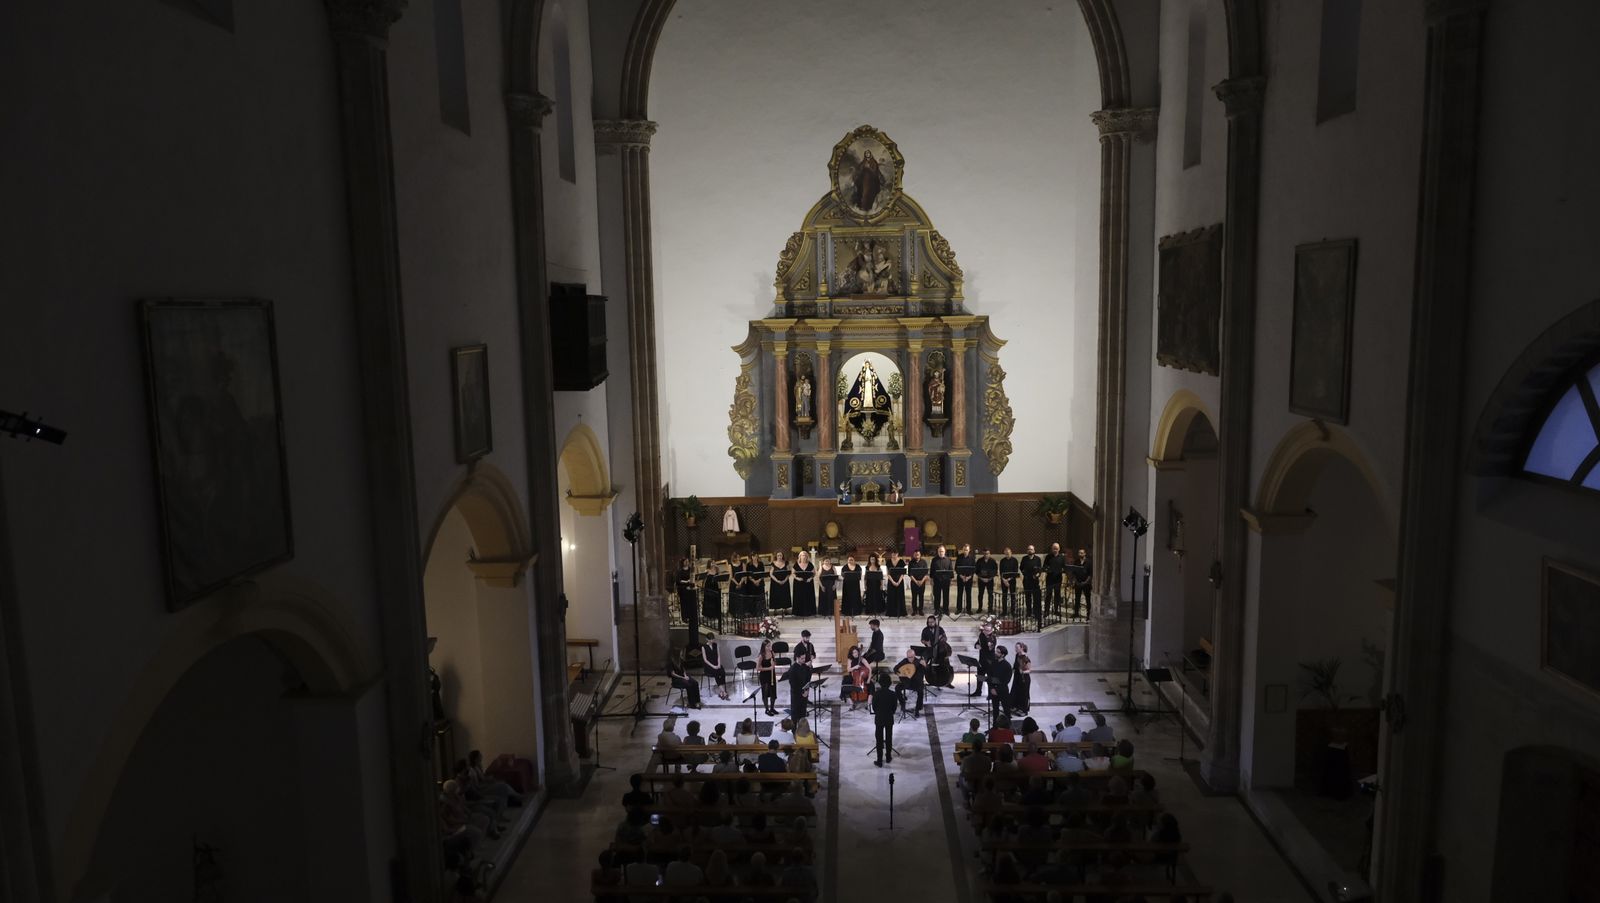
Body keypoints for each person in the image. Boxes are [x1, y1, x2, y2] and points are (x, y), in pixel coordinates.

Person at [871, 673, 898, 766]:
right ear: (890, 683)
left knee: (879, 739)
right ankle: (888, 757)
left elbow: (874, 707)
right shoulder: (893, 694)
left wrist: (878, 712)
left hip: (879, 718)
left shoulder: (876, 694)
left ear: (880, 683)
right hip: (889, 718)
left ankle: (879, 760)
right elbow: (894, 708)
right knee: (889, 737)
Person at [893, 646, 926, 715]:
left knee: (920, 691)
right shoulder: (905, 661)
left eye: (911, 657)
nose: (910, 659)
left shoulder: (919, 662)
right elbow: (895, 668)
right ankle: (902, 704)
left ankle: (917, 709)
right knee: (897, 688)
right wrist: (899, 673)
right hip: (906, 682)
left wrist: (925, 665)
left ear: (914, 655)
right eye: (908, 657)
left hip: (917, 683)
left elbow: (926, 671)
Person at [784, 650, 813, 721]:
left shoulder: (805, 666)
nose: (804, 660)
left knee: (803, 715)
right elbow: (793, 685)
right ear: (797, 658)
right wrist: (802, 692)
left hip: (804, 694)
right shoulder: (793, 669)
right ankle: (794, 728)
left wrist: (807, 690)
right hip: (796, 695)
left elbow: (808, 679)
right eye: (802, 658)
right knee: (795, 715)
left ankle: (802, 727)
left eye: (804, 658)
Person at [988, 645, 1013, 723]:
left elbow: (1006, 681)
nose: (996, 653)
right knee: (995, 710)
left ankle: (1008, 726)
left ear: (1003, 655)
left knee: (1006, 710)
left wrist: (996, 690)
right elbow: (989, 677)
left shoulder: (1007, 666)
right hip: (993, 690)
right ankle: (995, 726)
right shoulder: (993, 663)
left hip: (1003, 691)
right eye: (996, 651)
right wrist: (992, 688)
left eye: (998, 652)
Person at [972, 621, 997, 697]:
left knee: (990, 678)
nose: (986, 632)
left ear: (991, 630)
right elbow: (976, 643)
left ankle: (991, 694)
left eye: (988, 630)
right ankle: (978, 691)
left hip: (990, 661)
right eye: (985, 630)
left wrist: (989, 644)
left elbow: (990, 649)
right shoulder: (981, 635)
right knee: (980, 676)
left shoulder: (993, 638)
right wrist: (976, 646)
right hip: (982, 659)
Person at [675, 556, 698, 637]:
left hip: (690, 589)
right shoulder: (680, 571)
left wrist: (691, 581)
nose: (687, 562)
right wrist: (686, 581)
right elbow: (678, 581)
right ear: (683, 562)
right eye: (685, 561)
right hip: (683, 589)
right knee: (684, 604)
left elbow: (694, 577)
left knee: (690, 604)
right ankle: (684, 617)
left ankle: (691, 616)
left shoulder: (690, 570)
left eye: (688, 561)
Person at [1044, 542, 1067, 617]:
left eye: (1056, 549)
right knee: (1048, 595)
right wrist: (1047, 569)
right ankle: (1046, 611)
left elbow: (1064, 567)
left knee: (1057, 595)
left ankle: (1056, 610)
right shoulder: (1048, 557)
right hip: (1049, 579)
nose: (1055, 550)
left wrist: (1063, 570)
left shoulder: (1062, 557)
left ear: (1059, 549)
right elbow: (1044, 566)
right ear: (1052, 549)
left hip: (1058, 579)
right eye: (1054, 548)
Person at [1020, 544, 1043, 622]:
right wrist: (1025, 574)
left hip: (1035, 581)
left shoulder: (1038, 559)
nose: (1030, 550)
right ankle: (1029, 613)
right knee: (1028, 598)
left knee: (1036, 598)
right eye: (1028, 549)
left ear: (1034, 551)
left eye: (1031, 549)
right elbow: (1021, 568)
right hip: (1027, 581)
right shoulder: (1024, 558)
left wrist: (1037, 575)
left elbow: (1040, 570)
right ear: (1027, 551)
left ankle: (1035, 613)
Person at [931, 544, 954, 615]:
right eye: (939, 551)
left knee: (946, 596)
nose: (941, 553)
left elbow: (951, 570)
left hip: (946, 581)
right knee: (937, 596)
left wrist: (951, 580)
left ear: (945, 551)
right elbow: (932, 571)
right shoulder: (934, 560)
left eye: (942, 551)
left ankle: (945, 609)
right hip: (937, 581)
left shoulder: (948, 560)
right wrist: (931, 580)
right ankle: (937, 609)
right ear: (937, 552)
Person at [792, 549, 817, 617]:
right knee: (799, 596)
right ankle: (798, 612)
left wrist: (810, 578)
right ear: (800, 556)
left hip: (808, 583)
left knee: (808, 597)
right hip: (798, 583)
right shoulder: (796, 564)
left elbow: (814, 573)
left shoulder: (810, 564)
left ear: (807, 557)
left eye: (805, 555)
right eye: (802, 555)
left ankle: (809, 612)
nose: (804, 556)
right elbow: (793, 573)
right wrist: (797, 578)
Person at [1011, 641, 1032, 714]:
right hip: (1017, 677)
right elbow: (1015, 665)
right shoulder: (1017, 655)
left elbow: (1029, 670)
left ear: (1022, 648)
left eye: (1017, 648)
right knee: (1016, 692)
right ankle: (1017, 707)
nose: (1015, 649)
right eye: (1015, 648)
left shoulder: (1026, 658)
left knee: (1024, 694)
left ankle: (1024, 710)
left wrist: (1022, 672)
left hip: (1024, 679)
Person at [700, 560, 723, 628]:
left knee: (715, 600)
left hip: (715, 587)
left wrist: (718, 569)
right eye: (712, 562)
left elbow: (720, 578)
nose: (713, 563)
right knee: (709, 601)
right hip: (709, 587)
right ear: (709, 564)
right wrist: (702, 588)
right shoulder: (707, 570)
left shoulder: (717, 570)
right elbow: (704, 580)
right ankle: (709, 615)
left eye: (714, 562)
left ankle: (716, 615)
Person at [955, 543, 976, 614]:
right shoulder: (959, 557)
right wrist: (961, 576)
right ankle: (959, 609)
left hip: (969, 579)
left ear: (969, 550)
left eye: (966, 550)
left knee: (968, 594)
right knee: (959, 593)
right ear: (962, 550)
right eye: (964, 550)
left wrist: (968, 577)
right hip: (960, 578)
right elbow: (956, 568)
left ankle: (968, 609)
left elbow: (974, 569)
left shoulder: (972, 558)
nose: (965, 551)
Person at [998, 547, 1020, 616]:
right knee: (1004, 596)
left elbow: (1015, 572)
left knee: (1013, 596)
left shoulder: (1015, 560)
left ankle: (1013, 611)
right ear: (1004, 553)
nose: (1007, 554)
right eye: (1006, 553)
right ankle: (1004, 611)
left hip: (1012, 580)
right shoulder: (1002, 561)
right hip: (1004, 581)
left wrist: (1009, 579)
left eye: (1008, 553)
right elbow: (1001, 572)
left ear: (1011, 553)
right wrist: (1004, 580)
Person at [907, 548, 929, 615]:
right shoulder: (911, 562)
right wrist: (916, 582)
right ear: (913, 555)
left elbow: (926, 573)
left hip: (922, 582)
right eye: (915, 554)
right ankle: (914, 610)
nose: (916, 556)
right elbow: (910, 574)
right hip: (914, 582)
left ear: (920, 555)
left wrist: (922, 581)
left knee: (921, 597)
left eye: (918, 554)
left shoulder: (924, 562)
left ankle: (920, 610)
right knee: (914, 597)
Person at [886, 549, 907, 617]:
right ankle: (891, 612)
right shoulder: (888, 561)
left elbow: (902, 573)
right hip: (891, 581)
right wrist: (892, 581)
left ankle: (900, 612)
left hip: (899, 581)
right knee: (891, 596)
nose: (894, 555)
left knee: (899, 596)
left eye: (895, 554)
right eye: (893, 554)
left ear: (897, 554)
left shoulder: (901, 561)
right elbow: (888, 573)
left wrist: (898, 582)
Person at [1073, 547, 1093, 618]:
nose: (1080, 554)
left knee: (1088, 599)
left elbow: (1090, 574)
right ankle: (1076, 613)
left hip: (1086, 584)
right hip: (1078, 583)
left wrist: (1085, 582)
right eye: (1079, 553)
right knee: (1077, 599)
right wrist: (1076, 581)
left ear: (1085, 553)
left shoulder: (1089, 562)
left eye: (1081, 553)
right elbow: (1074, 573)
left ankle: (1089, 614)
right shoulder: (1076, 561)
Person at [977, 548, 997, 612]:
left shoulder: (993, 561)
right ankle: (980, 608)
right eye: (985, 554)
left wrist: (989, 579)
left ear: (990, 554)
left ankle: (990, 608)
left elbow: (995, 571)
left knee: (990, 594)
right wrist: (981, 578)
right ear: (983, 554)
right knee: (980, 594)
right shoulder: (979, 561)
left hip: (990, 580)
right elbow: (976, 571)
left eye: (987, 553)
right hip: (981, 580)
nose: (986, 555)